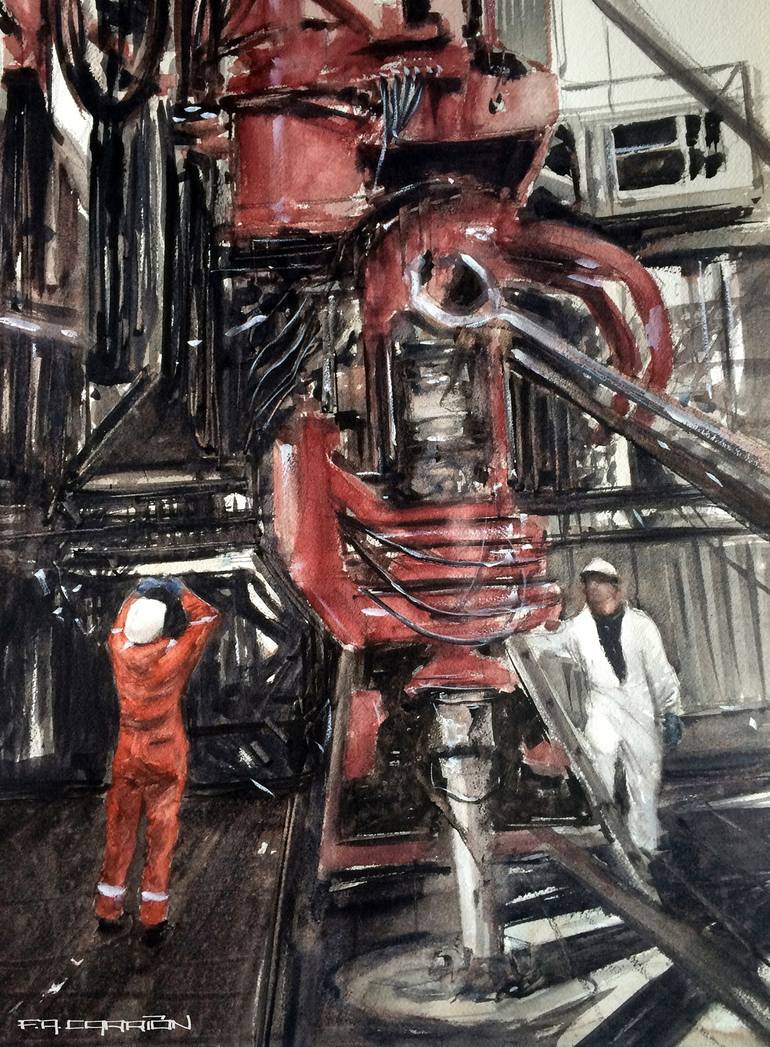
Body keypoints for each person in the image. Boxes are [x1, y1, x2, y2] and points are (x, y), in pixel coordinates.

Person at [94, 576, 220, 943]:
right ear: (162, 628)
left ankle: (108, 909)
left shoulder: (119, 650)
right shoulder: (172, 656)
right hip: (166, 756)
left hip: (128, 755)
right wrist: (181, 591)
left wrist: (136, 592)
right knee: (161, 835)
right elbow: (206, 618)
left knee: (119, 831)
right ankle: (153, 916)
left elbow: (117, 626)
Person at [529, 558, 683, 858]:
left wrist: (671, 710)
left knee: (645, 772)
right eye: (589, 582)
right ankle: (608, 841)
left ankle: (644, 843)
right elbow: (541, 641)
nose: (594, 588)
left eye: (600, 581)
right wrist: (525, 625)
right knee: (599, 770)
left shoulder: (641, 625)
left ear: (615, 586)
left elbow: (660, 672)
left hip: (639, 710)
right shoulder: (578, 629)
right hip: (602, 709)